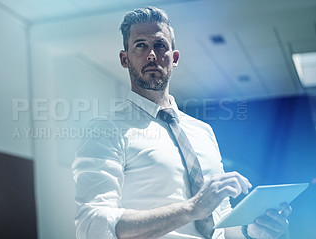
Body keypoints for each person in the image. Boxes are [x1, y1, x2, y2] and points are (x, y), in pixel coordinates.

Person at [72, 6, 291, 239]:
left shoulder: (203, 132)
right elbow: (92, 224)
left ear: (174, 58)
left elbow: (220, 221)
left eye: (160, 45)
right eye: (140, 45)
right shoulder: (106, 130)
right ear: (124, 59)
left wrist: (251, 231)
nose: (151, 55)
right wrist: (190, 209)